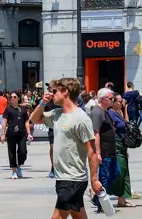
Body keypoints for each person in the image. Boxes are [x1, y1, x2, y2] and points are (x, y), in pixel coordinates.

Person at [44, 78, 103, 219]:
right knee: (78, 215)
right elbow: (34, 119)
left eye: (54, 91)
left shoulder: (81, 118)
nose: (51, 94)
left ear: (65, 92)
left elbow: (92, 151)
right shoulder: (58, 114)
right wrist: (42, 103)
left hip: (73, 179)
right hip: (64, 177)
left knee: (57, 217)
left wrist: (94, 179)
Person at [89, 88, 119, 210]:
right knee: (104, 177)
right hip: (104, 150)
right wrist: (98, 153)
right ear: (102, 99)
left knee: (116, 173)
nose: (113, 100)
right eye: (111, 98)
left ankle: (97, 198)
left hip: (111, 150)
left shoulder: (106, 111)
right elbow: (95, 134)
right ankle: (101, 203)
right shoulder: (97, 112)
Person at [2, 90, 30, 179]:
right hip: (11, 133)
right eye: (11, 97)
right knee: (12, 152)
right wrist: (3, 134)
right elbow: (4, 122)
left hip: (22, 134)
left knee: (23, 152)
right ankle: (14, 171)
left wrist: (29, 133)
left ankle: (19, 166)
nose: (12, 98)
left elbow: (26, 122)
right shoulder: (8, 109)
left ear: (18, 98)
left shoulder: (23, 109)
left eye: (14, 97)